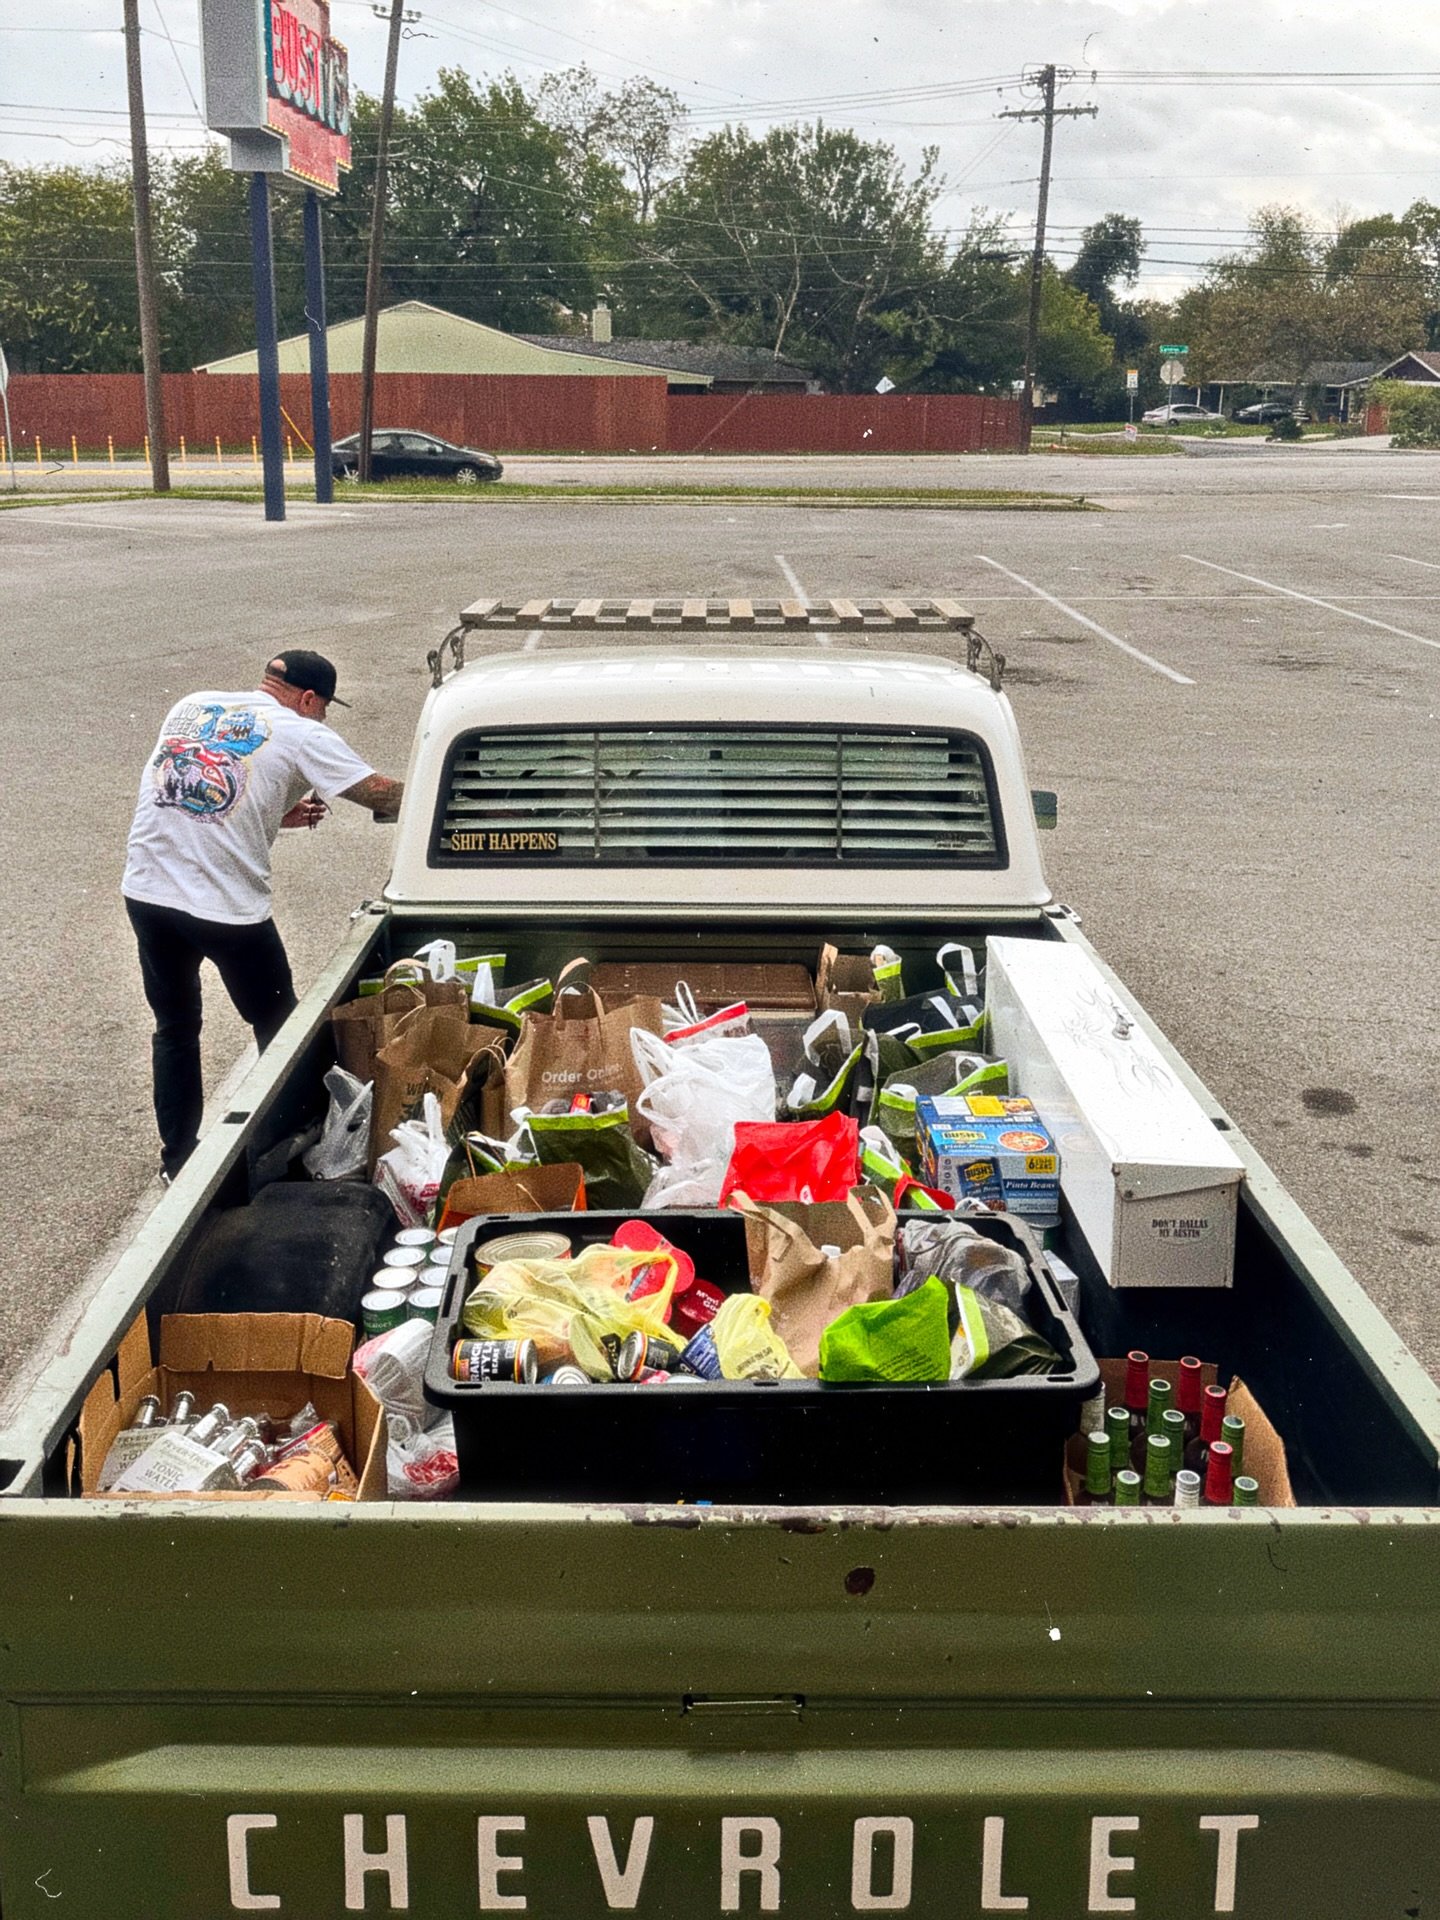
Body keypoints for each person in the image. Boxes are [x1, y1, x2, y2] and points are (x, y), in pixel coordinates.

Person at [122, 649, 404, 1180]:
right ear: (309, 698)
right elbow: (381, 796)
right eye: (324, 708)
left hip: (148, 893)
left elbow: (199, 785)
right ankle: (285, 1153)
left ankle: (178, 1161)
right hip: (226, 911)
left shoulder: (193, 705)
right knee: (280, 1027)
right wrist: (446, 794)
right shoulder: (302, 731)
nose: (323, 717)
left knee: (175, 1028)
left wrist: (276, 810)